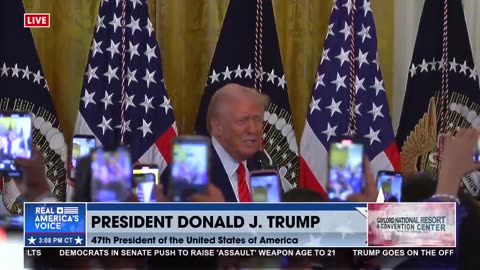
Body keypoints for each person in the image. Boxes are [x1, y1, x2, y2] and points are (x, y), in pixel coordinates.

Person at [205, 83, 269, 202]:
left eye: (257, 120)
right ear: (218, 125)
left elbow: (269, 218)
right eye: (242, 121)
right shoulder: (190, 175)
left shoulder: (262, 165)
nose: (253, 129)